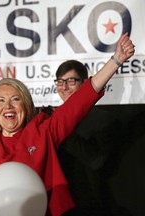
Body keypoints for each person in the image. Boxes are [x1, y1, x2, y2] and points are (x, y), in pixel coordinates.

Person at [0, 11, 135, 216]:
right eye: (1, 101)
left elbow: (79, 102)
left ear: (26, 106)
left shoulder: (43, 131)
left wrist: (116, 60)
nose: (8, 106)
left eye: (15, 99)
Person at [49, 60, 123, 215]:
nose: (64, 87)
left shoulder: (103, 120)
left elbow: (97, 161)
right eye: (60, 82)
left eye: (71, 81)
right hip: (58, 205)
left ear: (84, 84)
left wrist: (63, 126)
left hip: (92, 205)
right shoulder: (49, 122)